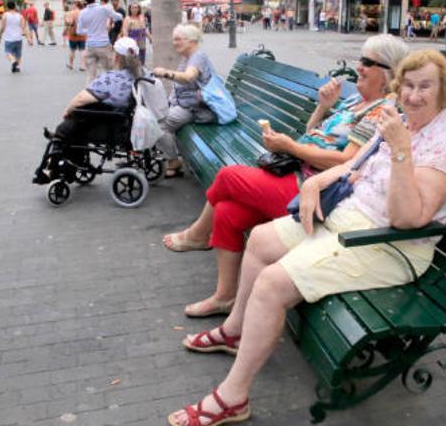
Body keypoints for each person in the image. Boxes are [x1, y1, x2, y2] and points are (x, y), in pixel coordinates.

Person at [166, 49, 446, 426]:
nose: (413, 95)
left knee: (272, 284)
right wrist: (316, 185)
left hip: (388, 245)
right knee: (260, 240)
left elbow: (408, 219)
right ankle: (234, 332)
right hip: (349, 218)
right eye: (408, 85)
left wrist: (402, 153)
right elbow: (352, 166)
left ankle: (232, 398)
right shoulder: (401, 122)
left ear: (445, 92)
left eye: (425, 86)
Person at [161, 34, 410, 318]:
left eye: (368, 62)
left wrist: (289, 146)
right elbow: (313, 134)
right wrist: (323, 106)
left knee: (229, 177)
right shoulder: (354, 100)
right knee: (229, 212)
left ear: (388, 73)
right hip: (296, 170)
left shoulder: (381, 111)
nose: (359, 67)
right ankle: (224, 297)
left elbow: (348, 161)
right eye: (361, 59)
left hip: (315, 193)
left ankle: (198, 234)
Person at [34, 37, 144, 185]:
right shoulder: (141, 74)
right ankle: (75, 159)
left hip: (106, 126)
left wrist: (68, 111)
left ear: (116, 56)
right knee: (76, 122)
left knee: (67, 127)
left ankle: (54, 169)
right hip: (122, 122)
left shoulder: (111, 79)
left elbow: (80, 98)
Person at [151, 23, 217, 179]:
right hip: (186, 105)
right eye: (174, 40)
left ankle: (174, 161)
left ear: (191, 41)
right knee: (156, 115)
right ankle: (173, 156)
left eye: (178, 39)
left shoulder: (198, 57)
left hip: (196, 109)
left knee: (157, 125)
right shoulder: (188, 58)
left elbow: (188, 77)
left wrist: (165, 72)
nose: (175, 43)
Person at [77, 0, 124, 83]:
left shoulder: (82, 12)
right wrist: (112, 9)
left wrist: (90, 31)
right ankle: (111, 91)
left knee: (91, 73)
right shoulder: (103, 9)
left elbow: (79, 31)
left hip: (90, 45)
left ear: (85, 0)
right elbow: (118, 17)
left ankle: (90, 93)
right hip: (103, 44)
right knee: (109, 71)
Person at [0, 0, 32, 73]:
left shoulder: (5, 15)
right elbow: (23, 28)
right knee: (18, 55)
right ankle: (16, 67)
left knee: (8, 52)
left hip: (9, 39)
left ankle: (13, 61)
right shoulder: (20, 16)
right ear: (15, 7)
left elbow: (2, 27)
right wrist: (28, 38)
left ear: (7, 7)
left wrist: (0, 35)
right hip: (18, 39)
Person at [121, 1, 153, 65]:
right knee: (133, 58)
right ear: (130, 9)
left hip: (142, 40)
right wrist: (128, 41)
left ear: (139, 9)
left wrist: (150, 37)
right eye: (133, 7)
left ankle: (141, 70)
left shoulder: (141, 17)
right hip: (132, 40)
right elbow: (124, 30)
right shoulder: (127, 18)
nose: (135, 9)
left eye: (136, 7)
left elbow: (144, 29)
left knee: (142, 56)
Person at [64, 1, 87, 71]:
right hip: (83, 34)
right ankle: (83, 66)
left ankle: (71, 64)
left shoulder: (71, 13)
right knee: (82, 50)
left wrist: (66, 20)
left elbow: (69, 22)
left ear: (75, 5)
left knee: (72, 50)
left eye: (72, 4)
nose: (71, 6)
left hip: (73, 34)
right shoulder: (84, 12)